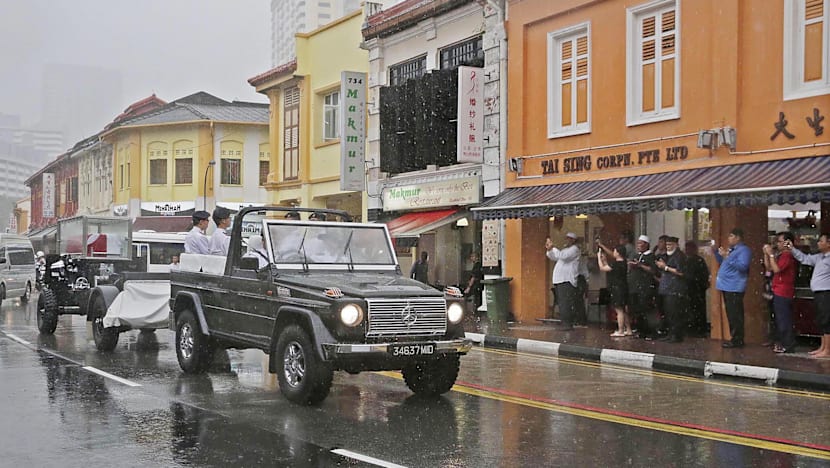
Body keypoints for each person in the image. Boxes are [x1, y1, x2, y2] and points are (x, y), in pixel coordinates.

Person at [784, 233, 830, 358]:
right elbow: (805, 259)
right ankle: (822, 347)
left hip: (826, 292)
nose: (818, 243)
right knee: (821, 320)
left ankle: (828, 349)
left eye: (821, 241)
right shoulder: (820, 257)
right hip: (819, 293)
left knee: (826, 321)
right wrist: (792, 249)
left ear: (829, 243)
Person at [714, 227, 752, 348]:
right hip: (726, 286)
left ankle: (737, 339)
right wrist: (718, 253)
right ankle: (734, 337)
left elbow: (743, 266)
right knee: (731, 313)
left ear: (738, 237)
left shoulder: (744, 250)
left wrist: (727, 256)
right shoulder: (732, 250)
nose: (728, 239)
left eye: (731, 236)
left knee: (735, 314)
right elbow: (725, 263)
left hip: (734, 286)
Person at [764, 232, 797, 354]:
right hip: (777, 289)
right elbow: (769, 268)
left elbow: (777, 269)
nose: (777, 243)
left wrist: (771, 255)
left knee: (784, 319)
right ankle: (782, 342)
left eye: (779, 241)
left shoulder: (787, 255)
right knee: (779, 318)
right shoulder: (780, 255)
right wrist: (767, 255)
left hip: (784, 291)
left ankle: (788, 344)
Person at [655, 236, 688, 342]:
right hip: (666, 288)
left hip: (675, 289)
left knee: (675, 313)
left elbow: (681, 272)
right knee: (668, 313)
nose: (668, 247)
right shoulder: (666, 255)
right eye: (667, 245)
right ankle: (670, 334)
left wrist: (665, 267)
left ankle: (676, 336)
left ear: (676, 245)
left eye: (670, 245)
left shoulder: (679, 256)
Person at [546, 232, 581, 331]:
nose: (567, 240)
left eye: (569, 239)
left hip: (567, 280)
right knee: (562, 303)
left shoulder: (574, 249)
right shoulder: (566, 249)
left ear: (574, 240)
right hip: (561, 280)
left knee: (565, 303)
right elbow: (554, 257)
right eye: (567, 239)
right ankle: (565, 322)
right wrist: (550, 250)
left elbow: (563, 256)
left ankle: (567, 323)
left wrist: (553, 248)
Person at [627, 235, 658, 339]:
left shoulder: (651, 256)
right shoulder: (636, 255)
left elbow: (653, 270)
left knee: (646, 310)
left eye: (641, 243)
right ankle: (640, 330)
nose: (638, 245)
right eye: (638, 243)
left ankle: (650, 332)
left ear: (646, 244)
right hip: (634, 287)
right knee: (637, 310)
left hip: (645, 288)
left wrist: (640, 265)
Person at [598, 243, 630, 337]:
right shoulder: (624, 263)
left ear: (619, 253)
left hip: (617, 288)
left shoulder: (616, 263)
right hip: (623, 287)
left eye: (615, 251)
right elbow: (610, 268)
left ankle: (620, 330)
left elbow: (603, 268)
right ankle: (628, 329)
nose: (614, 252)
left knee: (619, 310)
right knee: (623, 309)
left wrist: (599, 258)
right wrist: (605, 260)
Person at [684, 241, 710, 336]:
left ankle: (698, 330)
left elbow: (704, 275)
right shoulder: (686, 260)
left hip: (697, 289)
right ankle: (693, 329)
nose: (687, 250)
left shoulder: (698, 260)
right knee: (690, 310)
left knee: (697, 310)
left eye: (689, 248)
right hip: (690, 289)